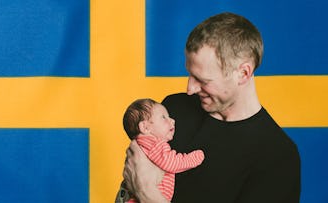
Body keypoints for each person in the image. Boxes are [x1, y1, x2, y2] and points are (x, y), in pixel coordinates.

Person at [123, 12, 301, 202]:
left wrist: (147, 193)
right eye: (190, 74)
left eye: (202, 80)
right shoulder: (172, 110)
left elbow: (141, 185)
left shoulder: (278, 157)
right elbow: (128, 186)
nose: (190, 89)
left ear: (243, 73)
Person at [116, 98, 205, 202]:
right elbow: (171, 163)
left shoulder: (143, 144)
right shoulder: (154, 144)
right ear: (145, 127)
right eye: (163, 117)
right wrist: (195, 158)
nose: (172, 120)